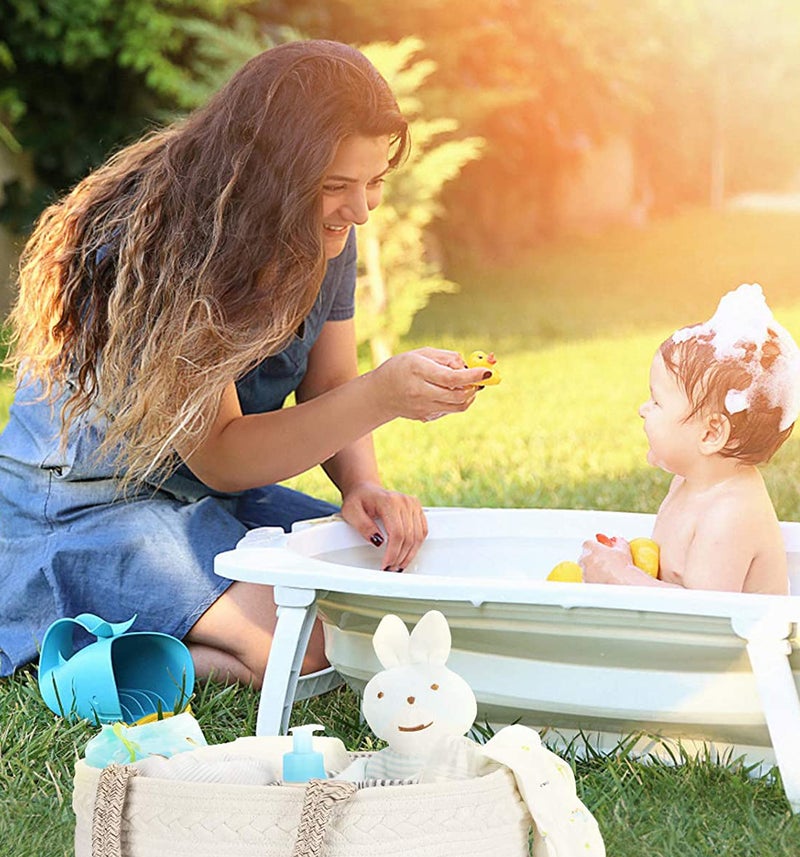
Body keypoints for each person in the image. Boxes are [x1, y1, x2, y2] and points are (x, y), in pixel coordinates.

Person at [0, 40, 491, 685]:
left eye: (373, 182)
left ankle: (166, 621)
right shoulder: (169, 248)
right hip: (90, 505)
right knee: (310, 649)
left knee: (382, 602)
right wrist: (386, 395)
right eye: (336, 187)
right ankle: (83, 647)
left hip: (200, 497)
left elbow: (332, 380)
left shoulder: (321, 229)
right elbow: (226, 458)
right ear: (271, 176)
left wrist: (361, 485)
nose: (362, 209)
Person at [579, 284, 800, 594]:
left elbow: (703, 618)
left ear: (710, 434)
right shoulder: (690, 482)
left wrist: (618, 576)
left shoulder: (730, 514)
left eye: (657, 402)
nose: (643, 410)